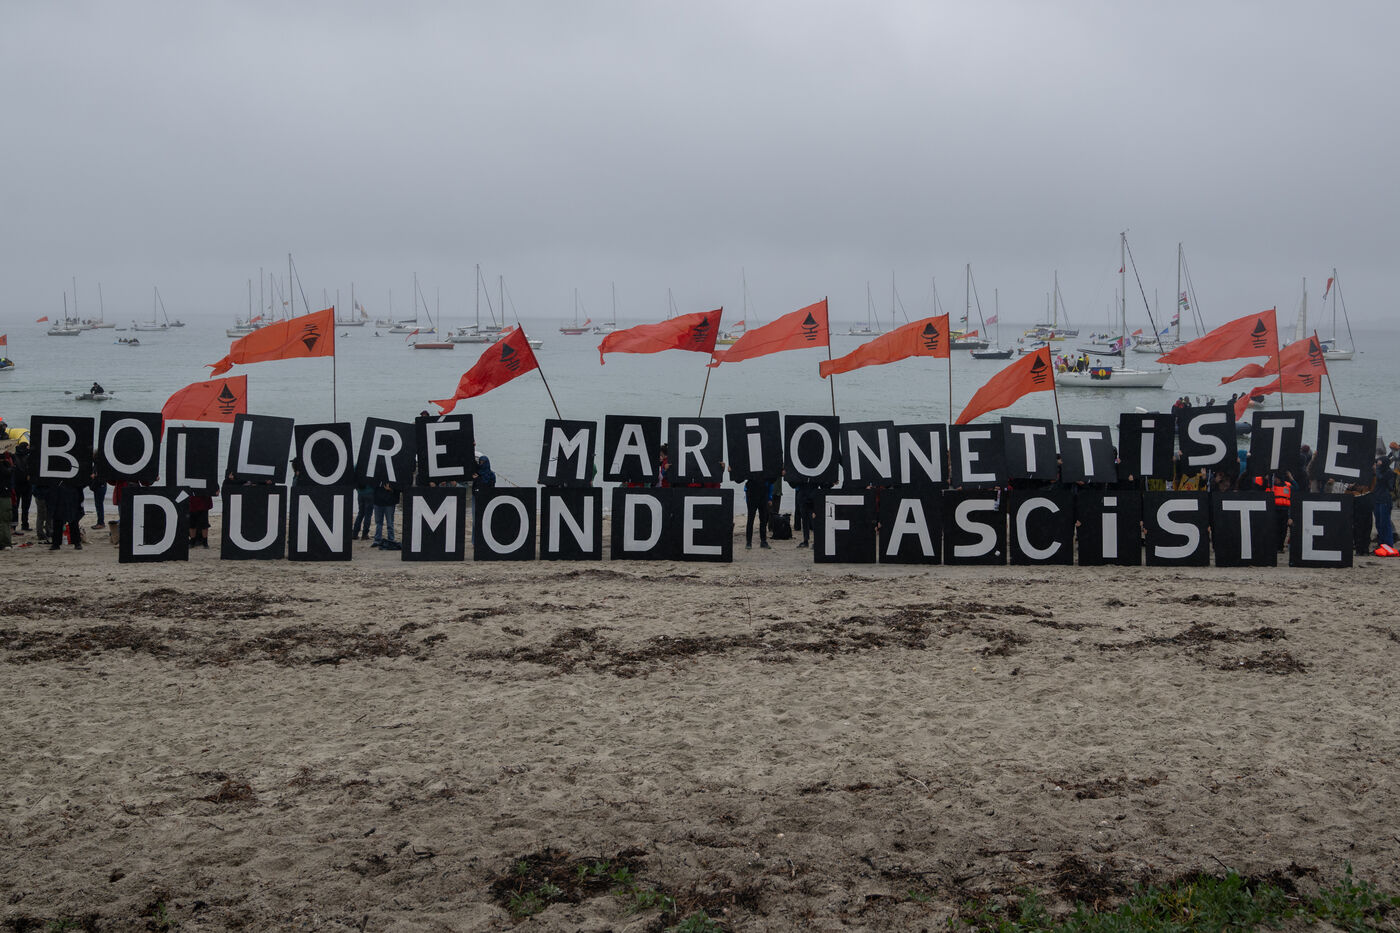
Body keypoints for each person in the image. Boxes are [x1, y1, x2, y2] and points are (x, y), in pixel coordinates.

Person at [1373, 450, 1395, 549]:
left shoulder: (1389, 473)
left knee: (1385, 523)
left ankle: (1388, 544)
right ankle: (1381, 543)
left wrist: (1377, 468)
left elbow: (1381, 478)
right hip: (1377, 499)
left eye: (1379, 463)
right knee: (1378, 523)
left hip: (1385, 501)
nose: (1377, 465)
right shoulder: (1380, 471)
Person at [371, 479, 400, 549]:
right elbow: (372, 485)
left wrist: (390, 489)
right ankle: (377, 539)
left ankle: (390, 539)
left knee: (389, 523)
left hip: (389, 502)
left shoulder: (393, 477)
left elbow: (398, 489)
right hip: (378, 501)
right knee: (379, 522)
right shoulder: (377, 477)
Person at [744, 475, 772, 549]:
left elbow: (772, 480)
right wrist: (732, 470)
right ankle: (748, 542)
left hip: (763, 494)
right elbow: (739, 478)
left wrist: (770, 497)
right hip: (751, 494)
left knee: (763, 519)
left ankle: (763, 541)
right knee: (750, 519)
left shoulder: (765, 468)